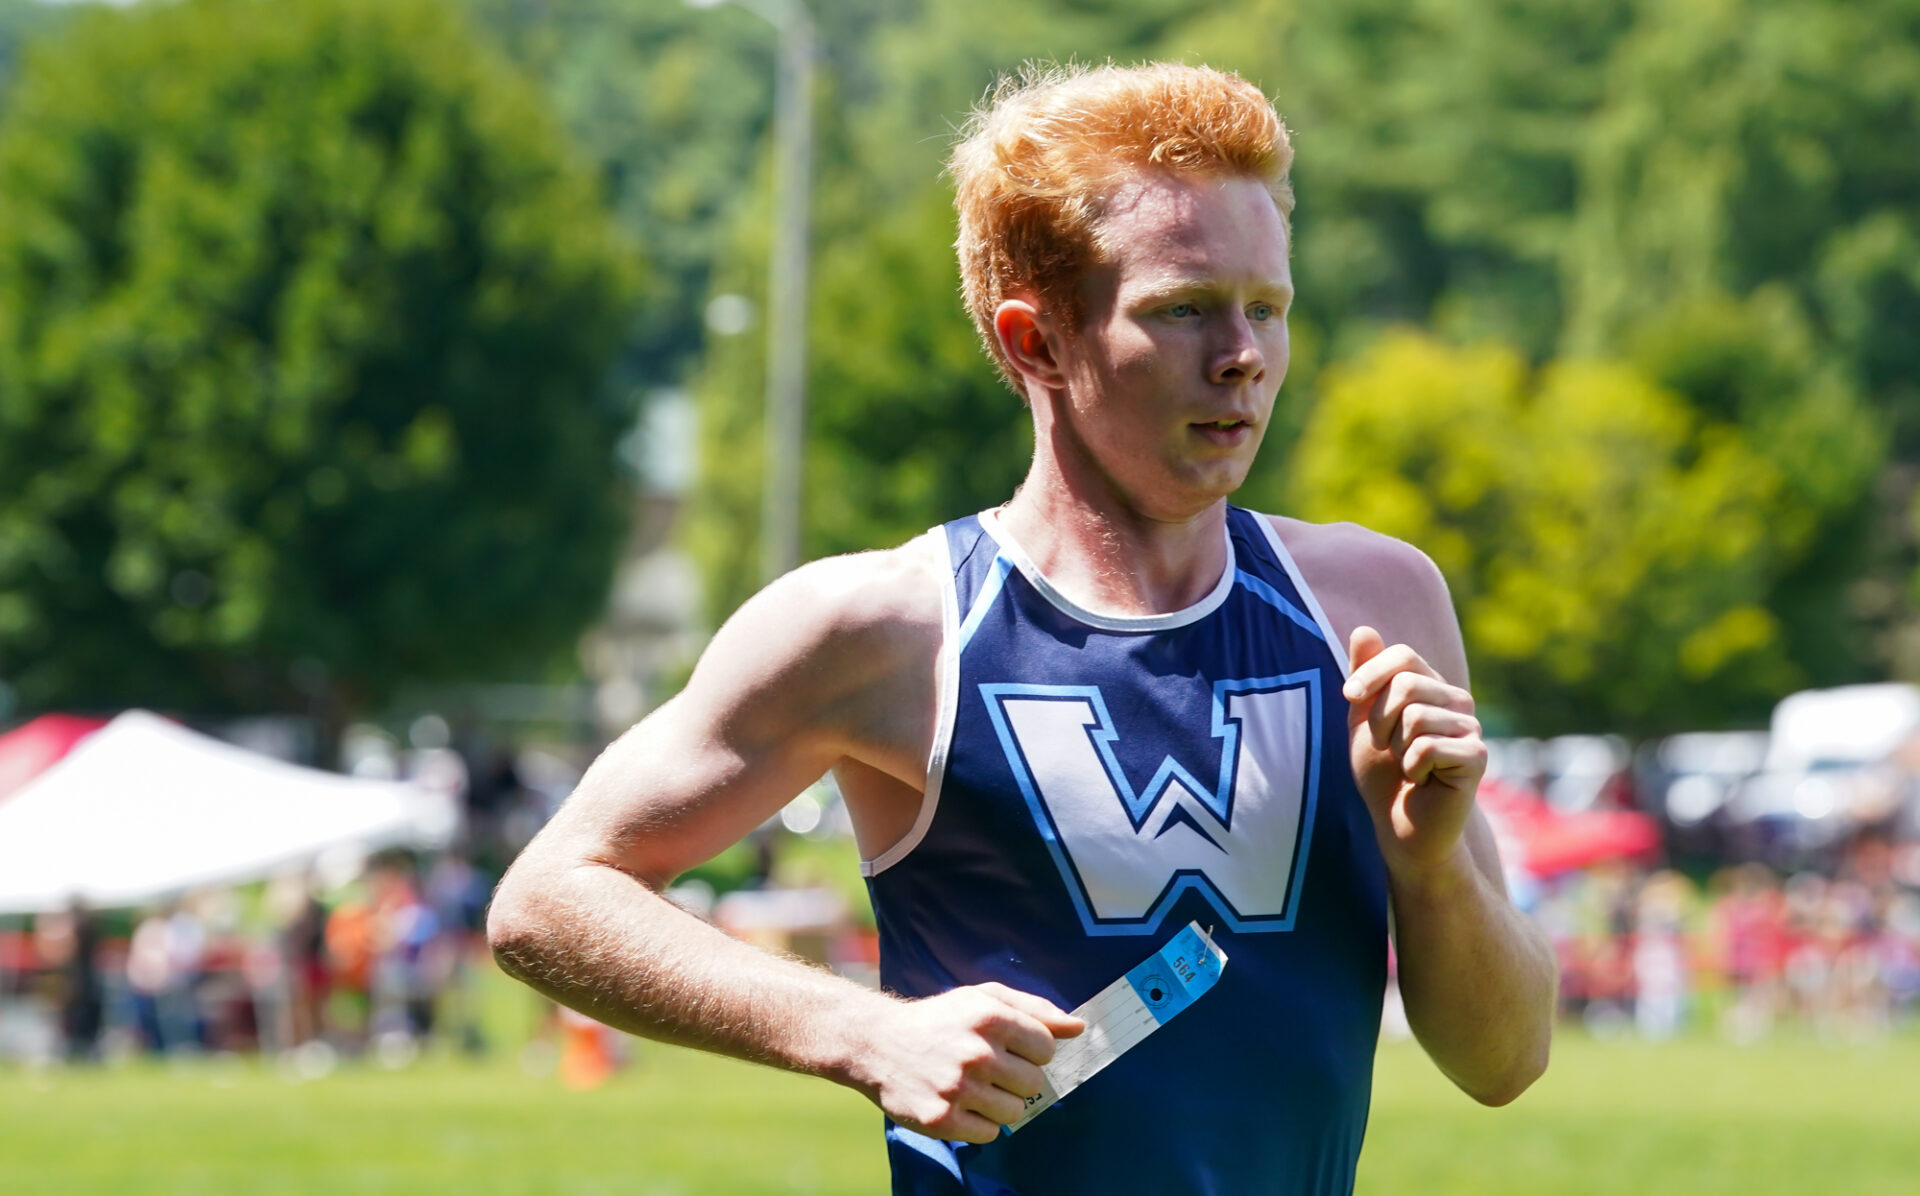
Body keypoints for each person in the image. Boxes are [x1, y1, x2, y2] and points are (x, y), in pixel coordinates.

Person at [490, 61, 1556, 1194]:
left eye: (1268, 307)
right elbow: (548, 898)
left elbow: (1506, 1060)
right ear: (1036, 341)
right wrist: (863, 1032)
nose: (1242, 354)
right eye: (1183, 308)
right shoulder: (891, 627)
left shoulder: (1373, 608)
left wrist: (1431, 871)